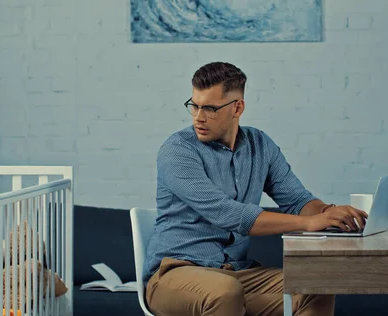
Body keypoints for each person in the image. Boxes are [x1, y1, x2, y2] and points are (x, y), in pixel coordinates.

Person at [143, 61, 368, 316]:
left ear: (237, 107)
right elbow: (227, 214)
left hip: (237, 273)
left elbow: (297, 201)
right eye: (194, 105)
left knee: (314, 284)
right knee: (224, 291)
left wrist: (331, 213)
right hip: (175, 274)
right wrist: (309, 223)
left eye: (210, 108)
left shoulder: (260, 145)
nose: (199, 117)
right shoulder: (178, 150)